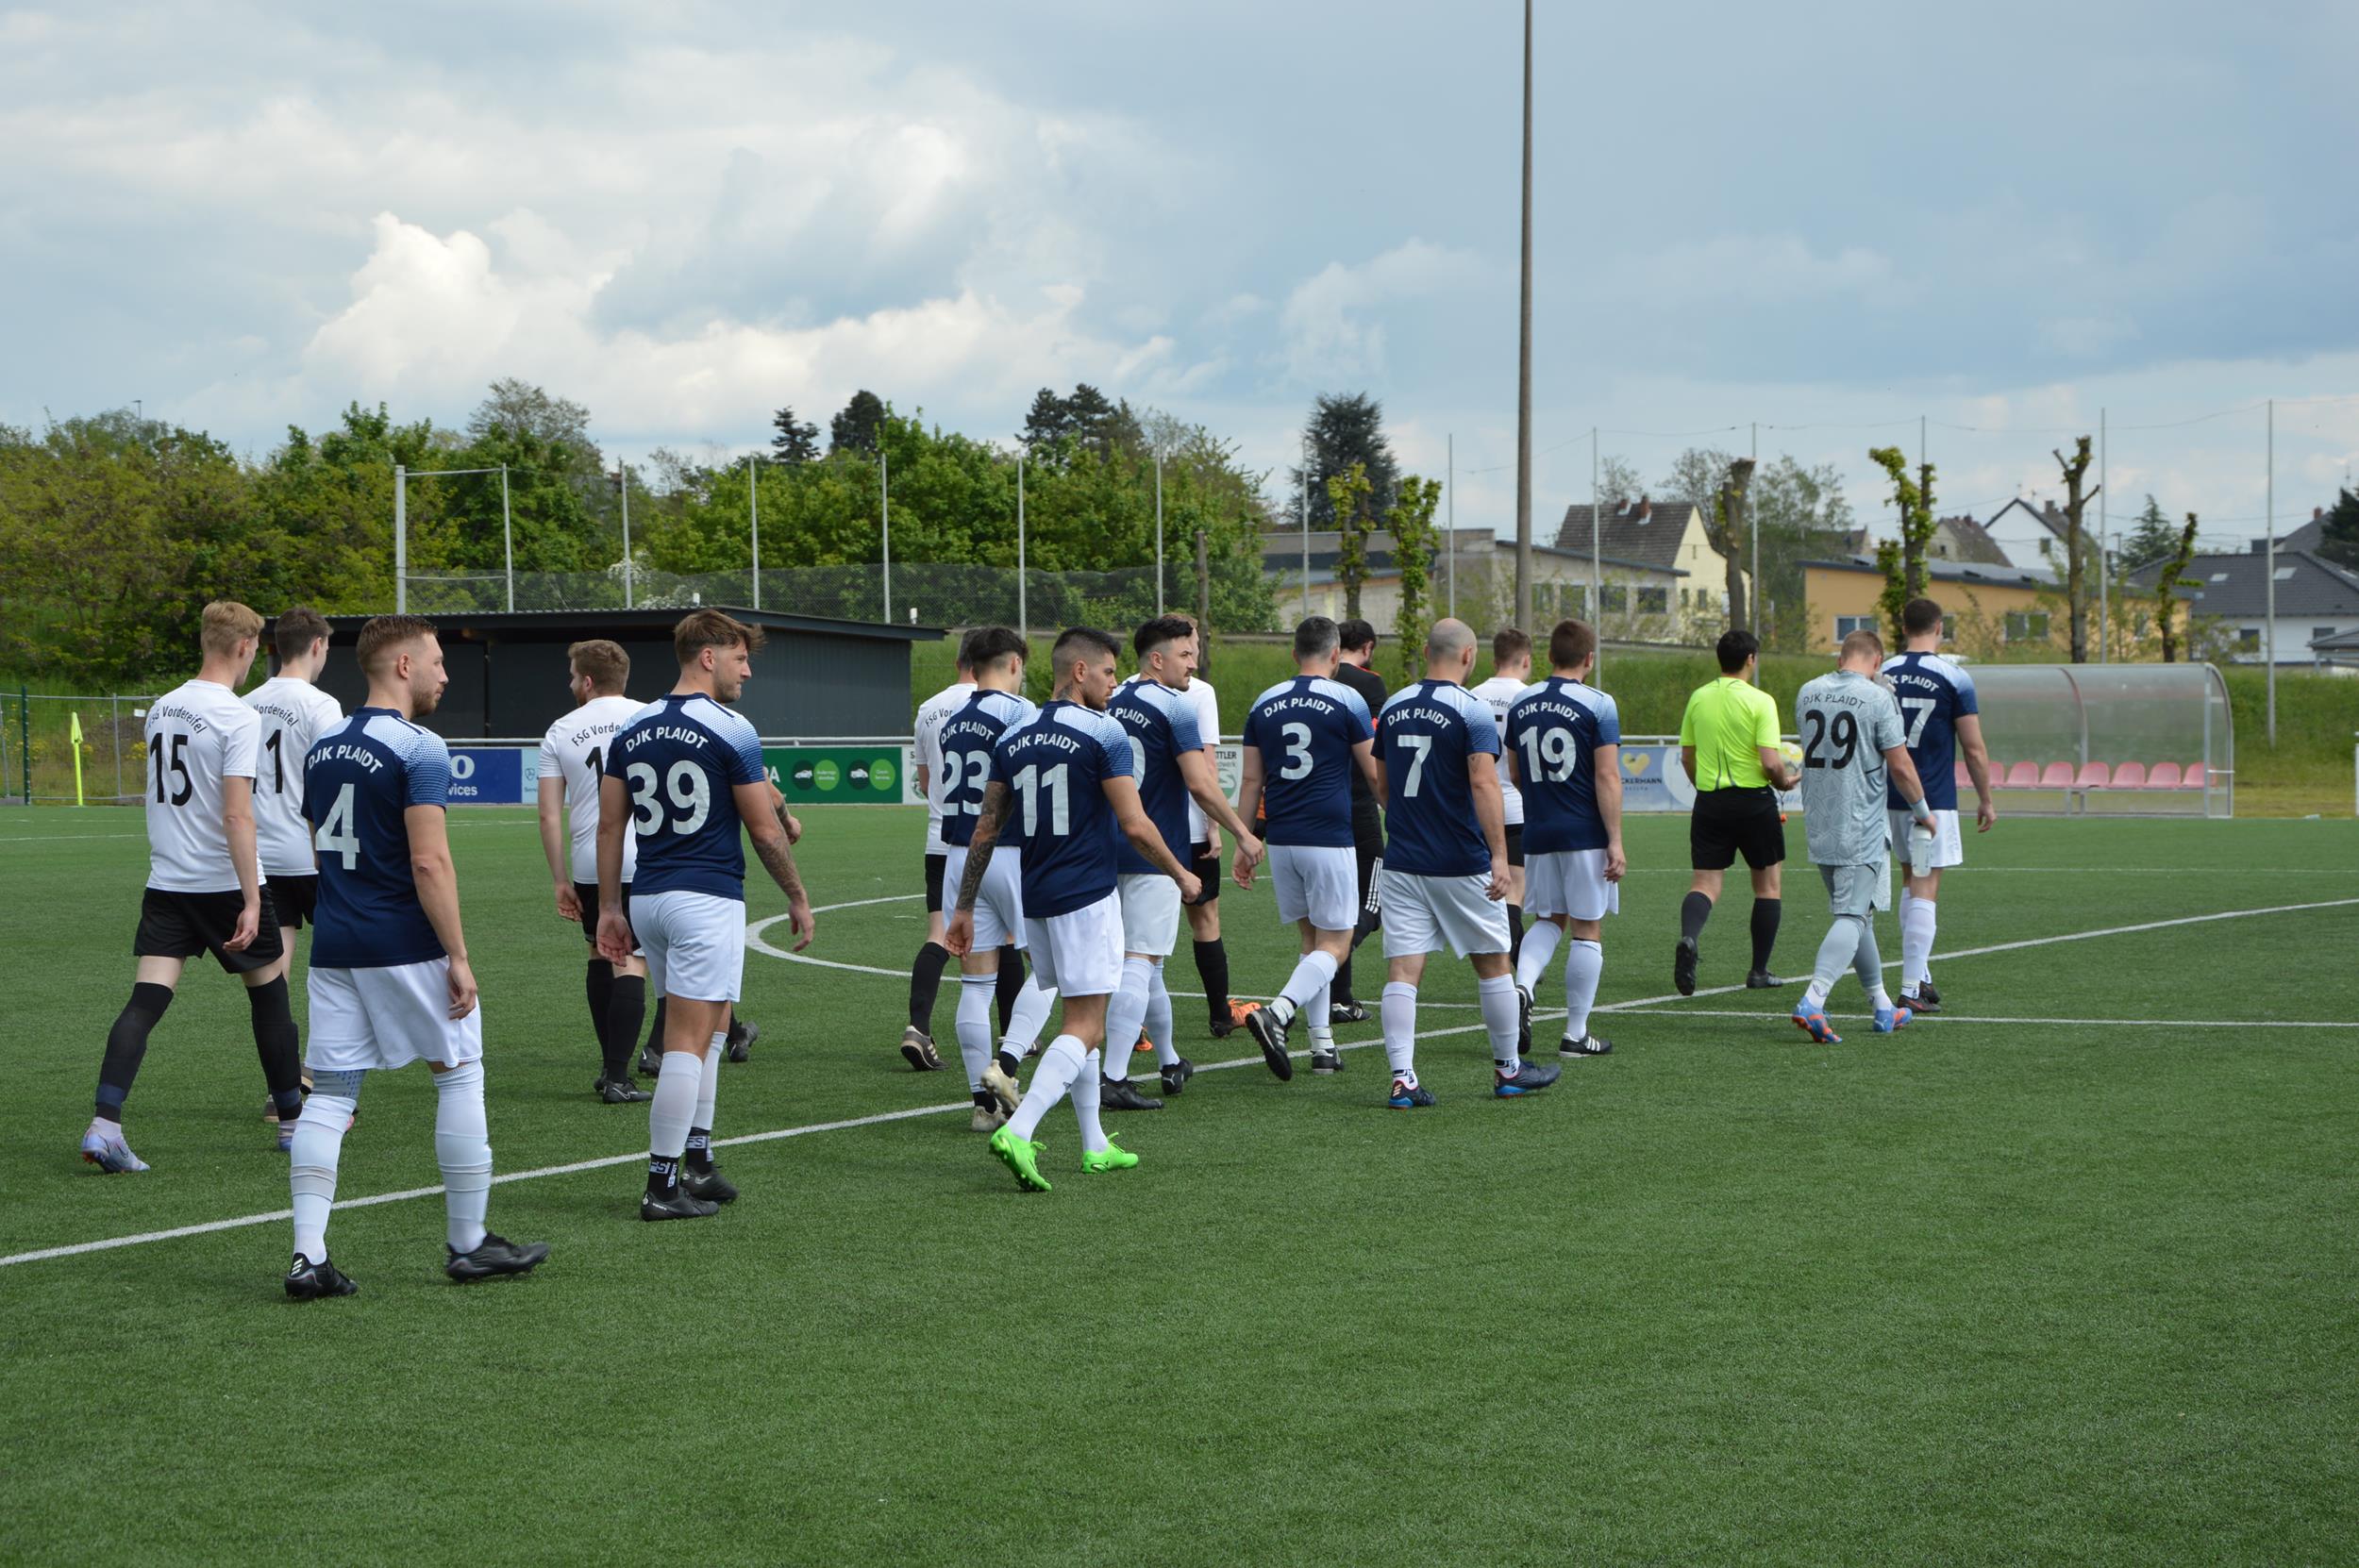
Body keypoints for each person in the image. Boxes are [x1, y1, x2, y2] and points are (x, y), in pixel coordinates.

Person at [284, 614, 546, 1297]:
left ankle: (308, 1256)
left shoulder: (323, 746)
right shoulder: (420, 747)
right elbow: (429, 862)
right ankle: (469, 1242)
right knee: (458, 1074)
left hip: (335, 943)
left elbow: (317, 845)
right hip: (403, 940)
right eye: (437, 662)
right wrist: (457, 955)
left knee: (331, 1094)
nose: (444, 675)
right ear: (404, 665)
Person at [946, 626, 1201, 1193]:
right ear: (1080, 671)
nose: (1115, 683)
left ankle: (1094, 1143)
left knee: (1074, 1016)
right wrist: (1181, 872)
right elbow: (1135, 824)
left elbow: (986, 827)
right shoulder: (1104, 732)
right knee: (1087, 1025)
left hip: (1036, 896)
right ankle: (1020, 1130)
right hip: (1086, 894)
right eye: (1108, 672)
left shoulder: (1014, 733)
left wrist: (963, 906)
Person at [599, 610, 815, 1221]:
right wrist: (797, 896)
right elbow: (765, 830)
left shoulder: (633, 725)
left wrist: (610, 906)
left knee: (714, 1027)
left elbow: (610, 826)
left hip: (650, 897)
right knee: (687, 1044)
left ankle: (697, 1158)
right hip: (705, 898)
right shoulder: (731, 727)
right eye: (740, 658)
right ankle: (662, 1184)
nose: (747, 671)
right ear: (708, 656)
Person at [84, 600, 307, 1173]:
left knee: (146, 1001)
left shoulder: (163, 706)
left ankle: (105, 1125)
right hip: (223, 883)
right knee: (271, 997)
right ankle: (291, 1124)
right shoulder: (238, 716)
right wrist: (252, 898)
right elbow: (237, 814)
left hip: (168, 881)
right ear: (244, 647)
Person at [1370, 619, 1561, 1106]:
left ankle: (1402, 1080)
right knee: (1494, 963)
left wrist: (1411, 821)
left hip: (1403, 859)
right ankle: (1509, 1070)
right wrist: (1499, 854)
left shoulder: (1393, 706)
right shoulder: (1469, 709)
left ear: (1426, 652)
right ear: (1469, 655)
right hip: (1459, 858)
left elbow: (1383, 785)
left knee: (1403, 969)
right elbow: (1483, 783)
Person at [1102, 617, 1264, 1109]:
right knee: (1140, 960)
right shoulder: (1175, 706)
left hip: (1103, 849)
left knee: (1147, 962)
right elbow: (1200, 783)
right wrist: (1241, 832)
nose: (1193, 664)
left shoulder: (1108, 700)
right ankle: (1113, 1075)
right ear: (1157, 659)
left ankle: (1170, 1060)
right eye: (1185, 654)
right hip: (1155, 851)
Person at [1234, 616, 1380, 1078]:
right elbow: (1373, 772)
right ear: (1336, 654)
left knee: (1312, 941)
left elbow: (1251, 780)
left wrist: (1243, 840)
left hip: (1282, 838)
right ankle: (1278, 1011)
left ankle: (1322, 1045)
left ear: (1295, 653)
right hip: (1329, 836)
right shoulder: (1348, 698)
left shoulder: (1264, 701)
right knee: (1336, 944)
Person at [935, 626, 1060, 1132]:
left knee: (975, 981)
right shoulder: (1022, 713)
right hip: (1009, 852)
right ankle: (1006, 1065)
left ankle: (983, 1107)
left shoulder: (952, 721)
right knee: (1052, 970)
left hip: (959, 856)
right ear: (1014, 663)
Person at [1790, 628, 1935, 1043]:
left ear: (1841, 659)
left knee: (1860, 914)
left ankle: (1882, 1006)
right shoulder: (1877, 697)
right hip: (1860, 823)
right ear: (1877, 662)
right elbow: (1901, 765)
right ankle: (1813, 999)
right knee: (1852, 916)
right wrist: (1923, 812)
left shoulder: (1807, 691)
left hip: (1820, 820)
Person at [536, 639, 652, 1105]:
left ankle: (609, 1067)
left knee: (600, 953)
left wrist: (560, 879)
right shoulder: (649, 717)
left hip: (589, 862)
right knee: (633, 961)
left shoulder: (561, 729)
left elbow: (548, 815)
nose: (570, 684)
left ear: (587, 681)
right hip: (646, 857)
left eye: (572, 676)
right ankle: (620, 1076)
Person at [1504, 619, 1625, 1059]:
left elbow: (1515, 773)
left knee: (1548, 920)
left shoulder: (1522, 702)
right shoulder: (1599, 703)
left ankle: (1522, 987)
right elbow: (1607, 776)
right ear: (1589, 659)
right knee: (1587, 928)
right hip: (1584, 831)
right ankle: (1575, 1033)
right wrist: (1615, 839)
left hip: (1538, 829)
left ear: (1550, 656)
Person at [245, 606, 344, 1127]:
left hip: (261, 859)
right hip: (312, 855)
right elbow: (330, 783)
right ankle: (327, 1081)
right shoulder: (321, 705)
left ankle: (282, 1089)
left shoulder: (246, 703)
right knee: (336, 972)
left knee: (274, 977)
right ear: (317, 646)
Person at [1882, 597, 1995, 1013]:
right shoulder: (1954, 676)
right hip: (1934, 798)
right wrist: (1986, 798)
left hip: (1890, 794)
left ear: (1903, 627)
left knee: (1910, 880)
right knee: (1926, 886)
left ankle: (1922, 976)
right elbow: (1973, 748)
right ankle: (1911, 987)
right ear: (1939, 628)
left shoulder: (1883, 672)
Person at [1674, 629, 1799, 995]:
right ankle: (1758, 971)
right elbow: (1770, 762)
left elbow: (1687, 757)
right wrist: (1783, 783)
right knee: (1768, 886)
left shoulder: (1699, 698)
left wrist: (1703, 788)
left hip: (1710, 802)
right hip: (1754, 802)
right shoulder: (1761, 701)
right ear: (1751, 659)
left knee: (1704, 884)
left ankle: (1689, 938)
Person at [902, 646, 976, 1070]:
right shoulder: (1008, 706)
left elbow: (926, 780)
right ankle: (1014, 1036)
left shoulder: (929, 709)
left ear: (958, 663)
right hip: (989, 842)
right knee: (1003, 939)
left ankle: (918, 1028)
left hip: (940, 838)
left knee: (938, 935)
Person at [1174, 617, 1246, 1040]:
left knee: (1135, 932)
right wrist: (1215, 827)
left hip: (1138, 832)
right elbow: (1205, 768)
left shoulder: (1122, 690)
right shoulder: (1198, 692)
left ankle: (1134, 1025)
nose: (1194, 657)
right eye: (1190, 648)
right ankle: (1220, 1014)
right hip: (1188, 828)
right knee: (1205, 919)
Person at [1327, 618, 1390, 1021]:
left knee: (1337, 909)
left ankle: (1339, 998)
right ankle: (1326, 966)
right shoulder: (1371, 684)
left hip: (1320, 807)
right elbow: (1376, 746)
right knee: (1372, 905)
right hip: (1360, 805)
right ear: (1367, 647)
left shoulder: (1319, 678)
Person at [1470, 627, 1535, 975]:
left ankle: (1515, 966)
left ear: (1494, 659)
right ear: (1526, 660)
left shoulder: (1472, 696)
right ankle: (1514, 970)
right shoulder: (1530, 698)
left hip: (1479, 809)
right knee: (1514, 892)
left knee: (1489, 894)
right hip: (1516, 806)